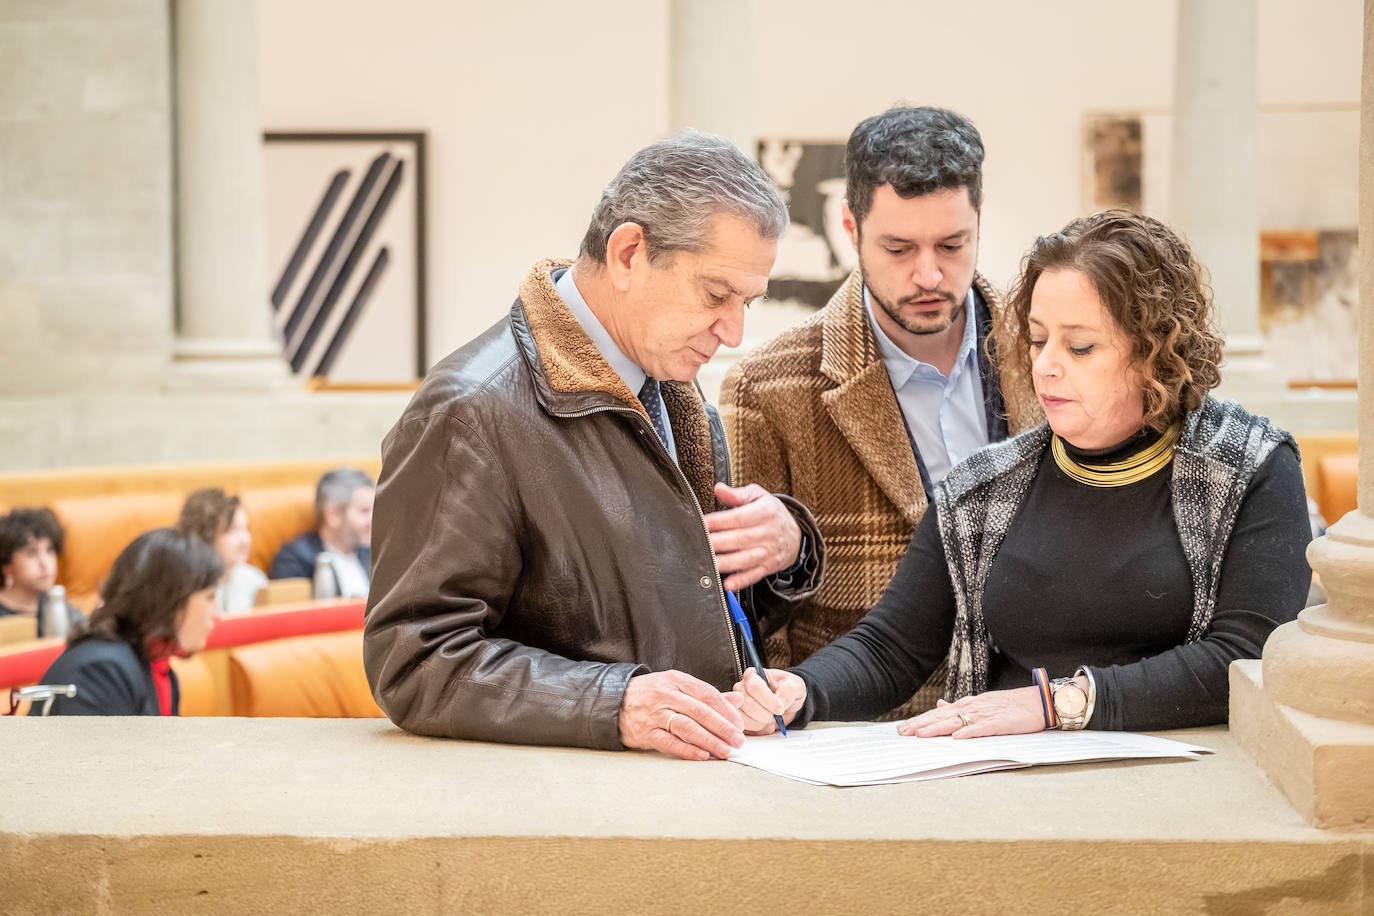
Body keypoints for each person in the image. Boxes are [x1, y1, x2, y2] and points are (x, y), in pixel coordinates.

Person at [732, 210, 1313, 737]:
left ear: (1157, 352)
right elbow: (892, 647)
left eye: (1080, 347)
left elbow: (1247, 655)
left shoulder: (1249, 465)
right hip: (1013, 794)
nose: (1046, 366)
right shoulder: (982, 489)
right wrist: (803, 690)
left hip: (1188, 795)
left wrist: (1059, 703)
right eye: (1037, 340)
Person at [365, 130, 824, 760]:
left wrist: (782, 553)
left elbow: (667, 619)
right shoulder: (469, 409)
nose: (736, 333)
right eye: (717, 294)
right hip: (563, 822)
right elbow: (414, 661)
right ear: (630, 252)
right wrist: (614, 704)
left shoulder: (676, 395)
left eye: (747, 302)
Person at [721, 106, 1039, 718]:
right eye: (898, 248)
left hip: (1042, 730)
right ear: (850, 227)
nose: (929, 274)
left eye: (952, 245)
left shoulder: (1047, 353)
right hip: (869, 747)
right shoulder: (767, 390)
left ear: (979, 221)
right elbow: (754, 637)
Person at [33, 527, 222, 716]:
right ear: (171, 601)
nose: (217, 612)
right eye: (210, 597)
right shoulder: (101, 672)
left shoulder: (156, 668)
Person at [269, 467, 374, 597]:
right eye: (364, 511)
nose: (374, 519)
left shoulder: (372, 555)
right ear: (333, 515)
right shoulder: (294, 560)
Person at [177, 488, 268, 614]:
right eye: (232, 530)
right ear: (204, 535)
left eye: (246, 528)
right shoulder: (184, 586)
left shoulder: (254, 579)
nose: (245, 540)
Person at [0, 507, 83, 638]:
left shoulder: (58, 605)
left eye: (49, 550)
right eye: (31, 553)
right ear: (7, 566)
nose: (45, 564)